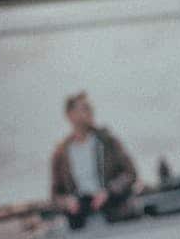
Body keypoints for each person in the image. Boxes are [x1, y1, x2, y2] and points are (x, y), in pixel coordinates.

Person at [50, 92, 138, 229]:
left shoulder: (108, 142)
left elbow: (130, 173)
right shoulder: (61, 153)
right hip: (80, 216)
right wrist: (68, 202)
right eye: (84, 108)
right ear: (70, 115)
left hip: (113, 209)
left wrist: (109, 192)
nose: (90, 112)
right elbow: (56, 195)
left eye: (90, 108)